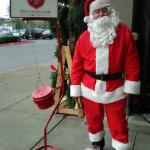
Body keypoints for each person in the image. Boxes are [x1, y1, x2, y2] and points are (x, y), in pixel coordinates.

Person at [70, 0, 140, 150]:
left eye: (104, 10)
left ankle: (120, 146)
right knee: (93, 120)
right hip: (90, 88)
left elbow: (132, 60)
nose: (101, 14)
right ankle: (97, 144)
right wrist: (75, 86)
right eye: (97, 11)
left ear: (109, 11)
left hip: (115, 88)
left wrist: (132, 83)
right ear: (90, 15)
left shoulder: (124, 33)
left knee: (118, 122)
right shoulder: (83, 38)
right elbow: (76, 65)